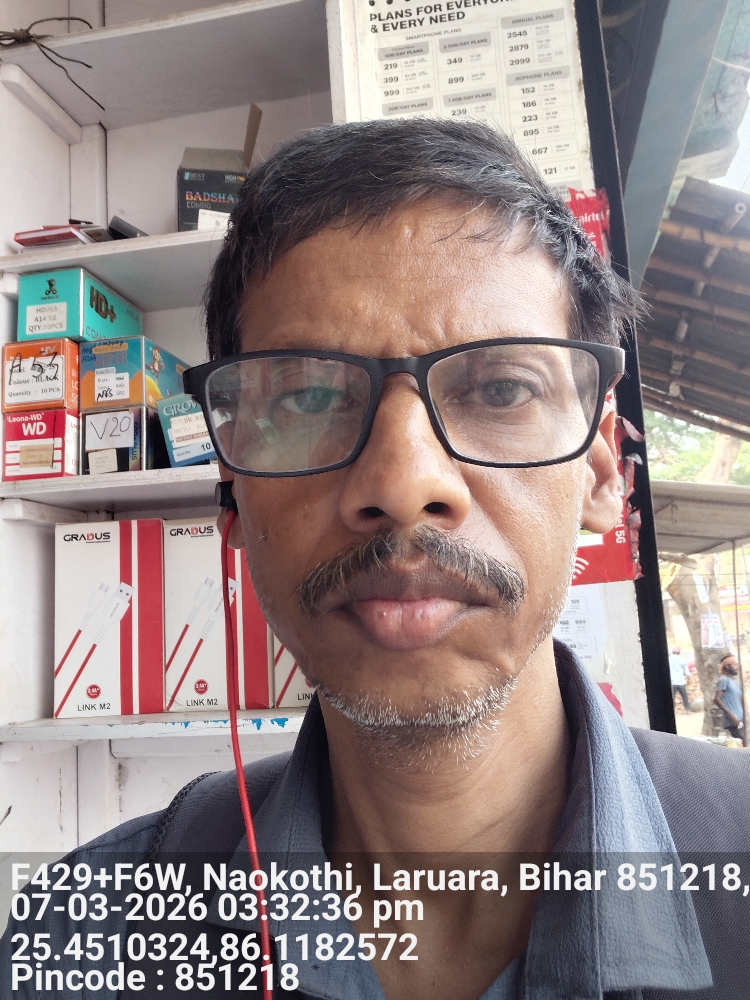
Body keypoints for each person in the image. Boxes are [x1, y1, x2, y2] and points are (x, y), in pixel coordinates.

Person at [4, 120, 750, 1000]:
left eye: (501, 389)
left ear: (599, 474)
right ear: (231, 491)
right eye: (308, 397)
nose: (402, 485)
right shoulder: (82, 942)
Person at [714, 653, 745, 741]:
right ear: (727, 666)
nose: (737, 667)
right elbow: (717, 699)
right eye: (735, 664)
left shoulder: (735, 682)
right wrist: (732, 715)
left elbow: (740, 700)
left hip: (740, 718)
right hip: (732, 720)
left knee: (744, 742)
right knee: (740, 741)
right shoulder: (724, 680)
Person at [668, 645, 690, 712]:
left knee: (672, 697)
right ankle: (687, 710)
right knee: (684, 697)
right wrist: (688, 680)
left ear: (672, 652)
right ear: (679, 652)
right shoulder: (682, 660)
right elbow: (687, 673)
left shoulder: (669, 659)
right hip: (680, 682)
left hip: (672, 682)